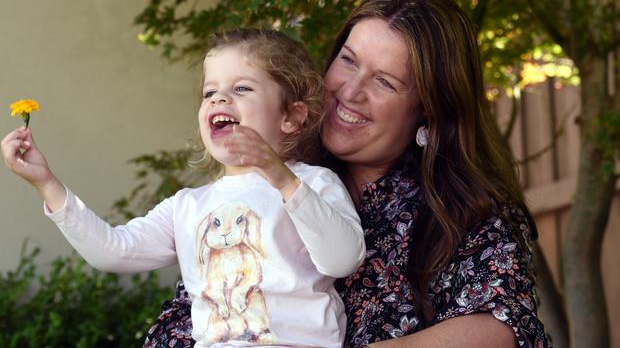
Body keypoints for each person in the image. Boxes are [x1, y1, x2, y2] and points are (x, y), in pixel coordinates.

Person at [143, 0, 552, 348]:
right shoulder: (267, 180)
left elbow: (501, 329)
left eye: (385, 82)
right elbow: (188, 318)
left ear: (429, 109)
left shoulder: (464, 208)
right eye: (349, 61)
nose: (350, 91)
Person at [1, 29, 366, 348]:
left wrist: (280, 176)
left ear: (291, 117)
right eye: (210, 92)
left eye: (241, 88)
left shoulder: (312, 183)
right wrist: (47, 184)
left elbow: (343, 259)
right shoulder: (188, 206)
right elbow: (113, 251)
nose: (219, 100)